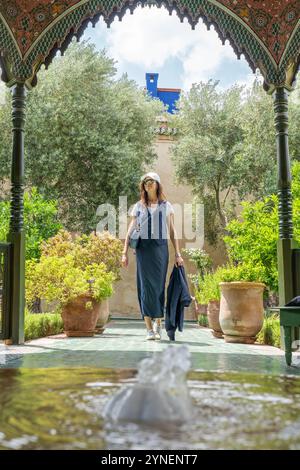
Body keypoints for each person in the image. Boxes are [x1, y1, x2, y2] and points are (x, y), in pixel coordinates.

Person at [122, 172, 184, 340]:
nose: (148, 184)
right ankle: (149, 329)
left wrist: (178, 254)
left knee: (158, 287)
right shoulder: (138, 206)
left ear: (157, 184)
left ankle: (159, 323)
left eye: (151, 181)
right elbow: (130, 230)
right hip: (143, 250)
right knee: (145, 287)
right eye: (145, 182)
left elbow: (172, 230)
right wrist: (124, 252)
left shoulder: (166, 205)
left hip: (160, 250)